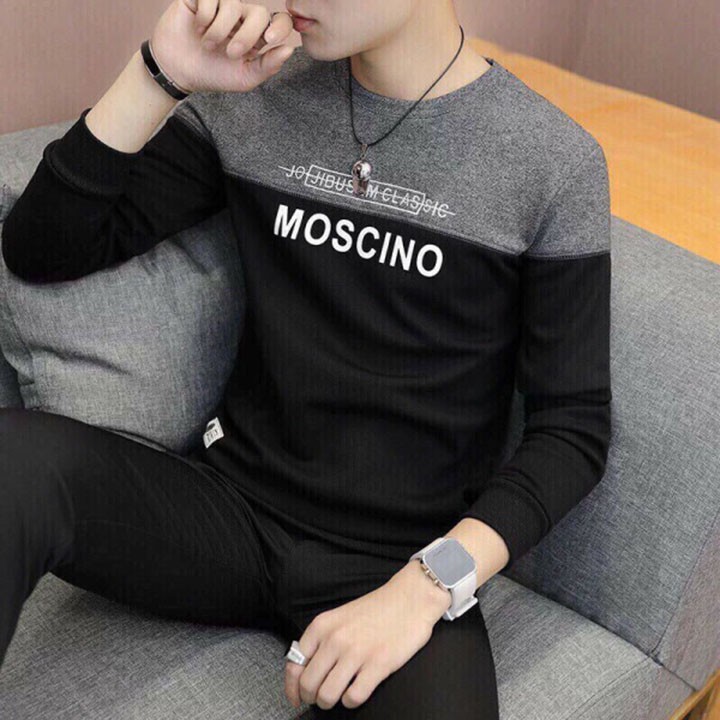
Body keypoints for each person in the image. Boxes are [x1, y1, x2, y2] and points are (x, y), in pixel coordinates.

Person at [0, 0, 612, 716]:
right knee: (17, 458)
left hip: (393, 564)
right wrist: (161, 72)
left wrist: (426, 587)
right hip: (226, 514)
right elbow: (41, 249)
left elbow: (571, 431)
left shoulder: (552, 162)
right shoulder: (253, 98)